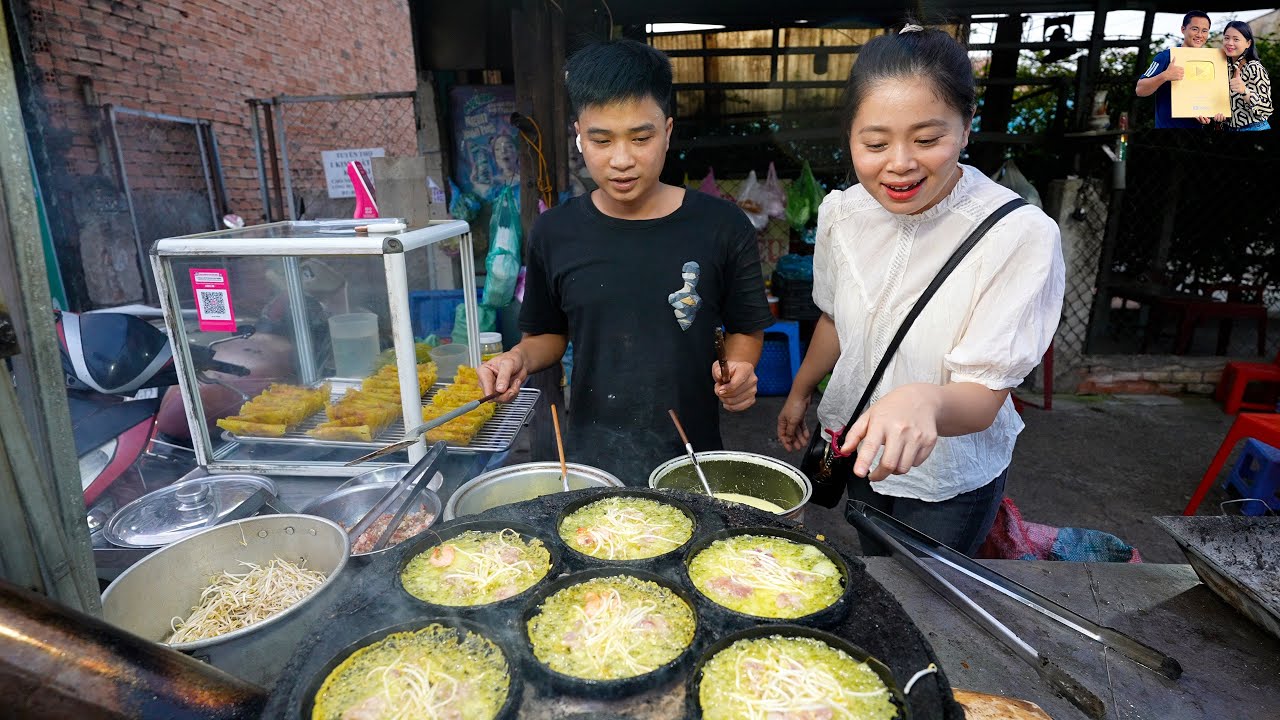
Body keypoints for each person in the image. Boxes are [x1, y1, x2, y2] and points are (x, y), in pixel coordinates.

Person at [775, 23, 1065, 556]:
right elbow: (837, 320)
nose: (901, 163)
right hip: (859, 449)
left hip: (948, 479)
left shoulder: (1018, 234)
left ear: (966, 126)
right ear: (851, 136)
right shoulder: (843, 214)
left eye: (928, 139)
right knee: (876, 567)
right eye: (876, 143)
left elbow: (981, 401)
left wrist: (923, 401)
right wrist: (800, 394)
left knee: (928, 604)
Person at [478, 39, 774, 485]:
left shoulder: (721, 225)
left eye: (641, 138)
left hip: (692, 459)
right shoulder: (554, 232)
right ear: (579, 135)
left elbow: (746, 327)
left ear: (668, 131)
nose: (621, 160)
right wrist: (518, 357)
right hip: (591, 458)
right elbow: (548, 335)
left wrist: (740, 371)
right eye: (601, 140)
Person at [1135, 11, 1212, 129]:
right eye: (1195, 29)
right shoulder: (1165, 57)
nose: (1200, 35)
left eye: (1204, 31)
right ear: (1183, 29)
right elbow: (1140, 90)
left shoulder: (1211, 62)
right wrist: (1165, 76)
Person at [1222, 21, 1273, 131]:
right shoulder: (1224, 67)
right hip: (1230, 129)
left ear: (1248, 43)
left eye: (1236, 39)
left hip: (1254, 128)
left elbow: (1266, 108)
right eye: (1226, 38)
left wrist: (1245, 91)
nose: (1230, 43)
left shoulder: (1254, 67)